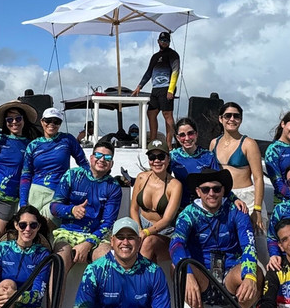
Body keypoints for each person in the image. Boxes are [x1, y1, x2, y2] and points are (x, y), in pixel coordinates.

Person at [170, 168, 260, 308]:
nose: (211, 193)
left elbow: (249, 245)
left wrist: (250, 275)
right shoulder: (188, 214)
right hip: (203, 278)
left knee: (255, 272)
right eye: (205, 189)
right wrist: (187, 274)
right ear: (198, 192)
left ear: (224, 190)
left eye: (216, 189)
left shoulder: (237, 211)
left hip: (230, 277)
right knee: (178, 268)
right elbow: (175, 244)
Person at [0, 101, 41, 249]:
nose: (14, 122)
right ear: (5, 122)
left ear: (24, 120)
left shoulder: (31, 145)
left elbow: (29, 174)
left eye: (18, 118)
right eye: (9, 120)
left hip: (7, 200)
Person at [50, 139, 123, 276]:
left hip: (97, 237)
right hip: (67, 233)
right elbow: (54, 207)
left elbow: (108, 223)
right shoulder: (72, 175)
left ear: (111, 163)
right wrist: (71, 210)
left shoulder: (113, 187)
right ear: (91, 158)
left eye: (107, 157)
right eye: (98, 155)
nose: (102, 160)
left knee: (107, 264)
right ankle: (54, 299)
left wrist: (88, 244)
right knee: (58, 265)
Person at [19, 108, 88, 224]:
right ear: (42, 122)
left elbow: (84, 164)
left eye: (56, 121)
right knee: (28, 228)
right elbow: (26, 175)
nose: (52, 124)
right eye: (48, 120)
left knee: (49, 226)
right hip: (35, 193)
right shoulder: (33, 145)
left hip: (58, 193)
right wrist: (23, 203)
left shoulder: (67, 139)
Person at [209, 102, 266, 234]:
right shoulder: (214, 143)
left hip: (248, 198)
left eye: (236, 116)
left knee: (256, 240)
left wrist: (257, 209)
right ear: (220, 118)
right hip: (223, 198)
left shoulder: (248, 144)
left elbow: (258, 178)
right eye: (228, 115)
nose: (232, 119)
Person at [129, 139, 184, 269]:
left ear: (168, 159)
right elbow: (133, 209)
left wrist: (146, 232)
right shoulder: (141, 178)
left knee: (148, 242)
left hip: (164, 232)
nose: (156, 161)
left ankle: (137, 283)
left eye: (161, 156)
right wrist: (139, 230)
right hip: (140, 226)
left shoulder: (175, 185)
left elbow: (167, 219)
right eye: (152, 157)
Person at [131, 32, 181, 148]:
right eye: (162, 40)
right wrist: (139, 86)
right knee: (151, 113)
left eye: (166, 41)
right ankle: (153, 141)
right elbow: (149, 72)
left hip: (167, 87)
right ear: (158, 41)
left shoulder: (173, 55)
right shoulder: (154, 57)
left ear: (169, 42)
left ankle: (169, 144)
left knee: (167, 114)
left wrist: (171, 90)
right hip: (155, 88)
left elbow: (175, 71)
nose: (164, 43)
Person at [169, 116, 222, 207]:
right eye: (182, 135)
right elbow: (162, 180)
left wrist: (234, 199)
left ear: (196, 134)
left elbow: (218, 183)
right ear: (177, 138)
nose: (187, 138)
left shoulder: (208, 156)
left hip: (203, 207)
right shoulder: (172, 156)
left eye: (190, 133)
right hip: (179, 207)